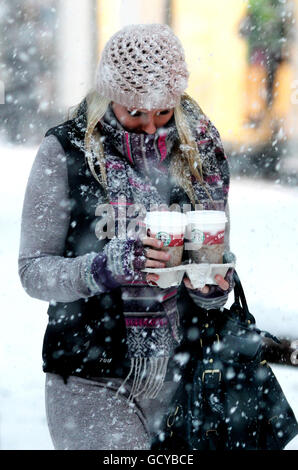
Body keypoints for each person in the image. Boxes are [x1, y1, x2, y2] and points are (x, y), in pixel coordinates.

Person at [18, 23, 234, 450]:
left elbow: (218, 257)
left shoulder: (200, 152)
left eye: (164, 112)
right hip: (88, 375)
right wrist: (105, 266)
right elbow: (33, 270)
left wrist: (210, 283)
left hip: (183, 376)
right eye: (135, 113)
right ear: (108, 96)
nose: (151, 127)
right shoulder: (66, 152)